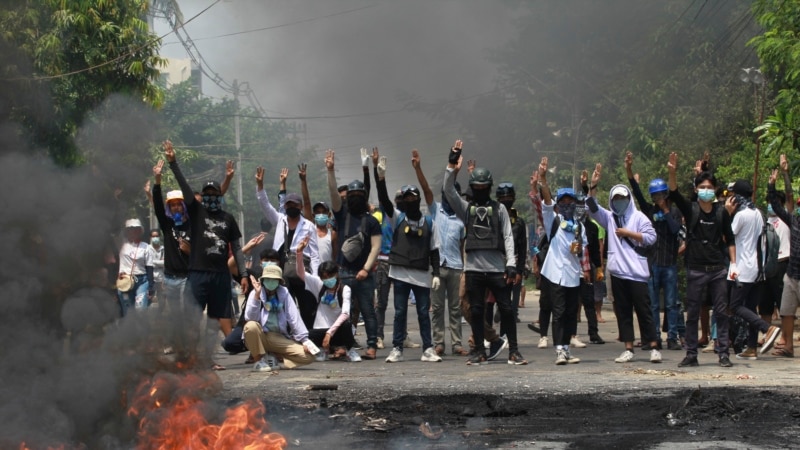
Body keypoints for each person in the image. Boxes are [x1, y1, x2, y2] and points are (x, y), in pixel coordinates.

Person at [166, 140, 249, 370]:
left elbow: (237, 247)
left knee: (214, 320)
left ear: (220, 196)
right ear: (203, 196)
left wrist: (242, 274)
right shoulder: (197, 211)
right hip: (198, 274)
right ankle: (189, 357)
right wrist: (173, 164)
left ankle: (207, 359)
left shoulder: (228, 218)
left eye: (215, 193)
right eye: (208, 194)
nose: (212, 197)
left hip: (220, 276)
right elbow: (184, 188)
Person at [443, 139, 526, 365]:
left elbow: (508, 236)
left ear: (490, 188)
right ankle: (479, 351)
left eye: (483, 188)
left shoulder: (499, 209)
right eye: (476, 188)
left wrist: (511, 264)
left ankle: (514, 351)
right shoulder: (466, 208)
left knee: (507, 310)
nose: (480, 192)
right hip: (473, 270)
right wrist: (452, 165)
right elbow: (448, 190)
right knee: (477, 311)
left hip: (497, 268)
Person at [586, 163, 661, 364]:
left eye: (622, 198)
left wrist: (629, 234)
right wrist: (593, 186)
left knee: (644, 311)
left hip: (636, 273)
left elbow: (651, 237)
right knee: (623, 312)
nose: (619, 202)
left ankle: (653, 346)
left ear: (629, 199)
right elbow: (592, 208)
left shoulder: (638, 217)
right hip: (618, 273)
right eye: (615, 199)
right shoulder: (609, 218)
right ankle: (628, 347)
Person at [667, 152, 734, 367]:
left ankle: (723, 353)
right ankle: (691, 354)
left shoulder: (722, 213)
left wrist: (734, 264)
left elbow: (730, 240)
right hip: (695, 269)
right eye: (702, 187)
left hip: (717, 270)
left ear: (715, 190)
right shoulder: (692, 209)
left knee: (722, 313)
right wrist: (672, 172)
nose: (706, 191)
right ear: (696, 190)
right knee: (693, 313)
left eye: (709, 187)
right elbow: (674, 193)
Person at [325, 149, 383, 360]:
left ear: (365, 197)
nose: (355, 198)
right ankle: (342, 345)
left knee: (368, 312)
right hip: (344, 273)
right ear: (347, 197)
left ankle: (371, 347)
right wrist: (330, 171)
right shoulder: (341, 216)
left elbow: (376, 247)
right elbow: (333, 195)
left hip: (363, 275)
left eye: (359, 195)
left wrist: (366, 270)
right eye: (352, 195)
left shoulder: (371, 221)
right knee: (343, 313)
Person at [625, 151, 683, 350]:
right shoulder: (649, 211)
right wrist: (629, 172)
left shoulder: (674, 212)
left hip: (669, 264)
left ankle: (673, 337)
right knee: (653, 305)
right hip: (652, 263)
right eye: (655, 196)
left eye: (661, 195)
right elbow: (637, 194)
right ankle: (655, 337)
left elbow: (676, 231)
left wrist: (666, 211)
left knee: (671, 303)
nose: (658, 198)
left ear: (667, 195)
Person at [536, 157, 590, 365]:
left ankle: (566, 347)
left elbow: (583, 248)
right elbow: (547, 203)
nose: (567, 205)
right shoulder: (554, 221)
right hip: (555, 274)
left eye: (570, 202)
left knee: (569, 313)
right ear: (559, 205)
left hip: (573, 275)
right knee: (558, 312)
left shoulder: (579, 227)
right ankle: (558, 349)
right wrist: (543, 178)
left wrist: (580, 254)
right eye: (563, 202)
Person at [383, 183, 442, 363]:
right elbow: (384, 201)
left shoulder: (430, 222)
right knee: (400, 312)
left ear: (418, 200)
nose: (409, 201)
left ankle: (428, 349)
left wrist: (437, 274)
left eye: (413, 198)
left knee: (423, 313)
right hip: (400, 273)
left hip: (422, 275)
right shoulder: (398, 218)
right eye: (406, 198)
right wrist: (381, 178)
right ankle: (397, 348)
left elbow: (434, 250)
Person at [256, 166, 320, 329]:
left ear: (299, 207)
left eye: (295, 205)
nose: (291, 207)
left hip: (302, 270)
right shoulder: (280, 220)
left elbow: (314, 254)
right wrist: (260, 185)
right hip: (282, 270)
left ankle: (309, 338)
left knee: (307, 307)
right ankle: (288, 337)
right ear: (285, 207)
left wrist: (315, 277)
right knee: (285, 307)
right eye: (288, 204)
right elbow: (265, 205)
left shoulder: (308, 226)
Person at [724, 179, 780, 360]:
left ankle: (767, 328)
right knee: (750, 307)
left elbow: (728, 237)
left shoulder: (741, 215)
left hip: (743, 268)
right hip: (758, 268)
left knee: (735, 306)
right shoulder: (758, 213)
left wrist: (728, 214)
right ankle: (751, 347)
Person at [294, 237, 360, 362]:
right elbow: (301, 274)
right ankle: (323, 350)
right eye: (324, 277)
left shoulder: (344, 289)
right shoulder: (319, 285)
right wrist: (299, 253)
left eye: (330, 275)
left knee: (346, 325)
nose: (327, 279)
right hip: (321, 329)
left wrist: (330, 333)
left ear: (336, 273)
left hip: (338, 330)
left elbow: (345, 313)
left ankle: (350, 350)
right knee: (307, 335)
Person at [243, 265, 316, 372]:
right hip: (259, 335)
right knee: (250, 326)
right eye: (268, 279)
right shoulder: (255, 293)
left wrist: (305, 340)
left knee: (309, 356)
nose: (271, 282)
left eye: (274, 279)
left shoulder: (284, 293)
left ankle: (275, 357)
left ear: (279, 281)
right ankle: (258, 361)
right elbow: (249, 317)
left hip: (277, 337)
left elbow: (294, 318)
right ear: (263, 280)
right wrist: (257, 297)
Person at [767, 164, 799, 358]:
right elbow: (781, 202)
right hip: (792, 274)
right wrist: (773, 185)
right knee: (786, 312)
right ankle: (788, 346)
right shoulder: (794, 220)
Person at [116, 218, 154, 316]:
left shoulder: (146, 247)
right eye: (130, 229)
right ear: (126, 231)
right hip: (124, 281)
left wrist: (151, 286)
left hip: (141, 281)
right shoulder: (120, 245)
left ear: (140, 231)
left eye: (136, 229)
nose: (133, 231)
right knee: (127, 310)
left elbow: (149, 267)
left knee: (140, 309)